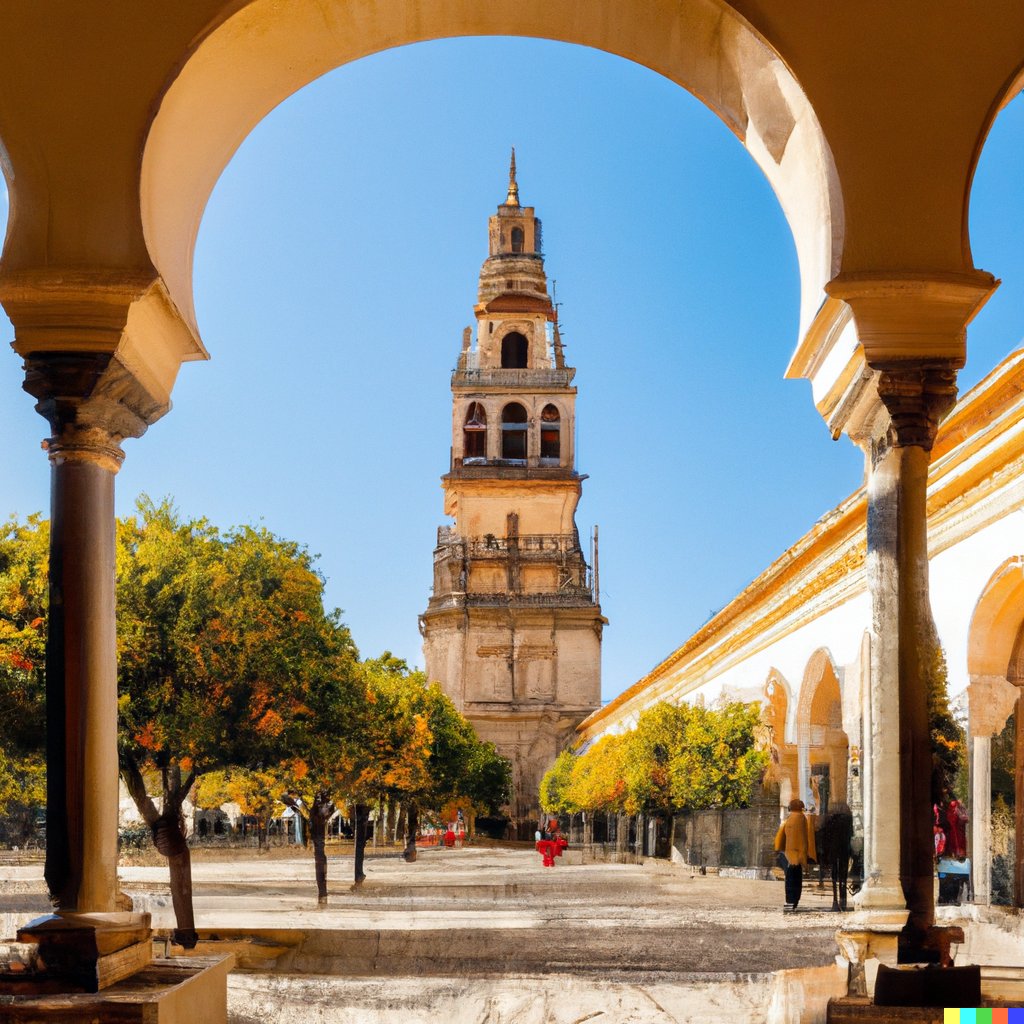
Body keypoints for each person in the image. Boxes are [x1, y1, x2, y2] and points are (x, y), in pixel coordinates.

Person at [774, 798, 817, 912]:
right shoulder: (802, 818)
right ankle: (793, 902)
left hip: (789, 855)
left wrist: (779, 849)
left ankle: (790, 902)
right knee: (796, 881)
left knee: (790, 881)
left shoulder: (790, 819)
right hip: (798, 855)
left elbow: (782, 837)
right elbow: (804, 839)